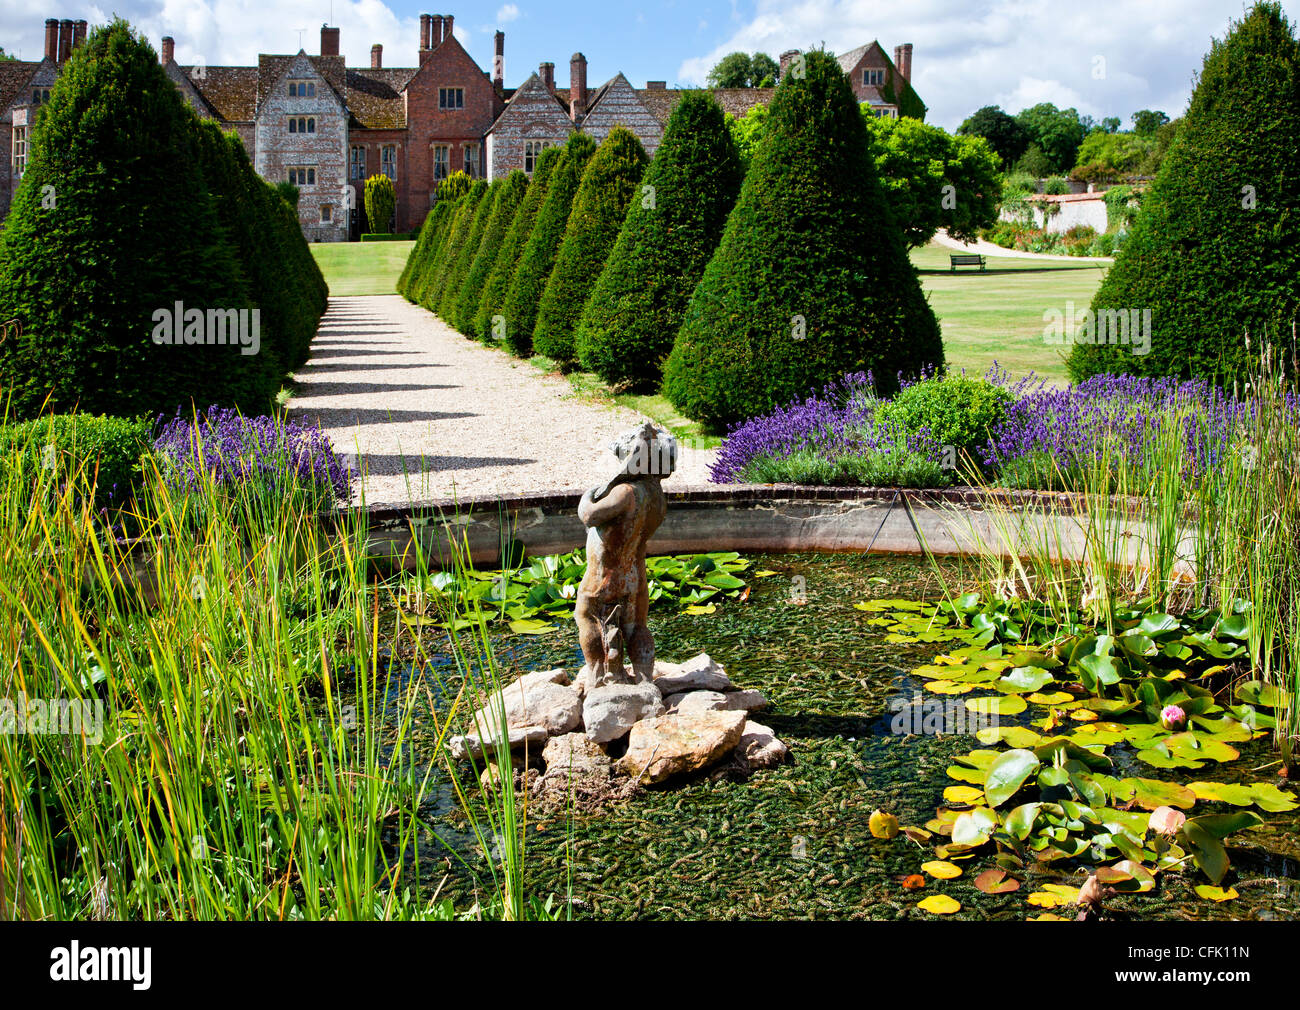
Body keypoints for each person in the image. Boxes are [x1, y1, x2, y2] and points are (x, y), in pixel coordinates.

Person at [574, 423, 677, 692]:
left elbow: (589, 515)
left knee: (587, 616)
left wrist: (587, 496)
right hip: (635, 574)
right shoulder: (656, 494)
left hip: (605, 575)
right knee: (636, 626)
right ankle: (644, 679)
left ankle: (597, 677)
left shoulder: (626, 492)